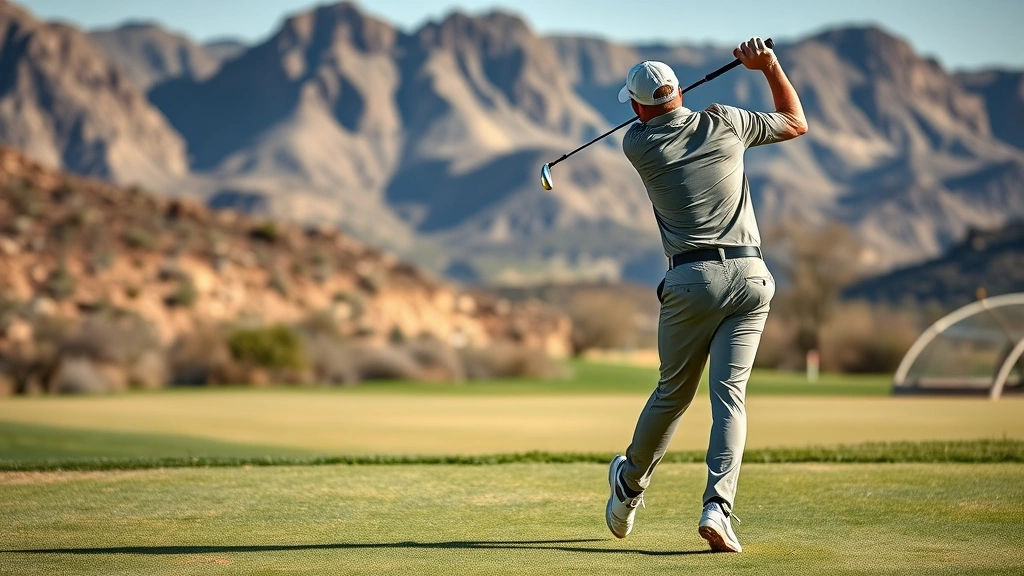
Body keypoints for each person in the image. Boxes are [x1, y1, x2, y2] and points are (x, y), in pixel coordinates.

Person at [605, 37, 808, 553]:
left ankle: (628, 488)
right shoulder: (725, 121)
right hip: (751, 277)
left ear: (635, 105)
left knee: (673, 394)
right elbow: (795, 120)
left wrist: (659, 106)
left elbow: (651, 117)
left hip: (691, 282)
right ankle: (718, 508)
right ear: (677, 90)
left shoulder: (638, 145)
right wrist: (767, 65)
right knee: (729, 401)